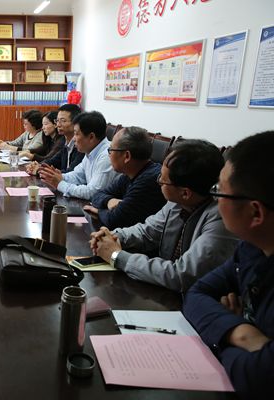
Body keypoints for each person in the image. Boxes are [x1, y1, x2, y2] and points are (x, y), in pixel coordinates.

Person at [183, 132, 274, 398]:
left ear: (255, 212)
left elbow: (259, 378)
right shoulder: (251, 248)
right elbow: (196, 293)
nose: (215, 199)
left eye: (219, 191)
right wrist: (240, 332)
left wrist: (220, 337)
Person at [90, 139, 238, 292]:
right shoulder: (177, 202)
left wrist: (116, 256)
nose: (158, 181)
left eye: (162, 180)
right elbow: (147, 232)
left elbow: (181, 275)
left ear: (185, 193)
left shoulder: (222, 219)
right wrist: (114, 237)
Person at [84, 127, 166, 229]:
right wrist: (109, 201)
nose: (109, 155)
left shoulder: (149, 180)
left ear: (127, 156)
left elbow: (115, 220)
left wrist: (99, 212)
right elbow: (97, 195)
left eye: (111, 150)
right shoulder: (130, 173)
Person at [39, 110, 118, 200]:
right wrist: (58, 176)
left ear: (91, 137)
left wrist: (60, 184)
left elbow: (93, 192)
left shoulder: (107, 156)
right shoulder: (90, 151)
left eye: (76, 134)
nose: (74, 139)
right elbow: (77, 175)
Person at [26, 104, 84, 176]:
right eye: (57, 121)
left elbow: (71, 173)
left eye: (63, 121)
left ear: (75, 123)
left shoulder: (81, 145)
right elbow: (52, 161)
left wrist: (39, 170)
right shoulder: (65, 142)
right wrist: (37, 166)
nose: (58, 125)